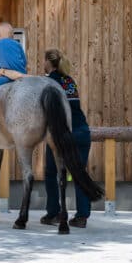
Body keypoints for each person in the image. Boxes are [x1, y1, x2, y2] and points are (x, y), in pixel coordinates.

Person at [39, 48, 92, 228]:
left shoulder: (47, 83)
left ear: (48, 62)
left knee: (51, 173)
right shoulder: (70, 81)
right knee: (79, 173)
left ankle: (53, 213)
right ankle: (82, 217)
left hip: (61, 135)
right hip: (83, 131)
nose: (42, 64)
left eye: (43, 60)